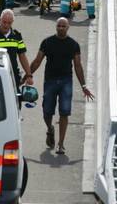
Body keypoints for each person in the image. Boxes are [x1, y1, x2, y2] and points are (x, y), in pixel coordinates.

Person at [30, 17, 94, 155]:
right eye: (58, 26)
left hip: (66, 81)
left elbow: (77, 65)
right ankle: (50, 129)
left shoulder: (73, 45)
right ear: (56, 27)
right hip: (50, 81)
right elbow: (37, 61)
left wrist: (83, 85)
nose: (60, 28)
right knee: (47, 111)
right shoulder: (47, 42)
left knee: (64, 112)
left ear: (68, 27)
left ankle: (61, 144)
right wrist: (27, 75)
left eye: (63, 26)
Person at [0, 9, 34, 93]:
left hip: (12, 74)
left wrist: (29, 75)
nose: (6, 25)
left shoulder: (16, 35)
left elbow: (22, 56)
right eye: (4, 22)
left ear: (12, 22)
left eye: (9, 23)